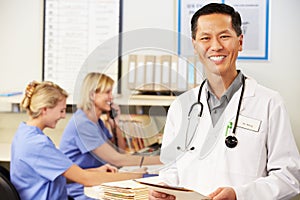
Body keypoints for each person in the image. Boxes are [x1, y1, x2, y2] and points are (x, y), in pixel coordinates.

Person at [149, 3, 300, 200]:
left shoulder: (269, 103)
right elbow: (171, 169)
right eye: (205, 38)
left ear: (240, 41)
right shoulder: (181, 106)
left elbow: (289, 177)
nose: (215, 46)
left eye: (224, 36)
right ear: (195, 45)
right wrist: (164, 188)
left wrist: (239, 195)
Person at [10, 81, 144, 200]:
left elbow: (58, 174)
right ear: (45, 109)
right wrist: (140, 177)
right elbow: (86, 179)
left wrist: (96, 171)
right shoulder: (37, 144)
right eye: (61, 110)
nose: (63, 116)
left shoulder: (24, 133)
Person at [59, 72, 162, 199]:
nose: (111, 97)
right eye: (107, 92)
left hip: (99, 180)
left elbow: (120, 151)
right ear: (92, 95)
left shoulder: (97, 122)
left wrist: (115, 123)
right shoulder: (82, 124)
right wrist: (162, 160)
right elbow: (116, 159)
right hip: (82, 187)